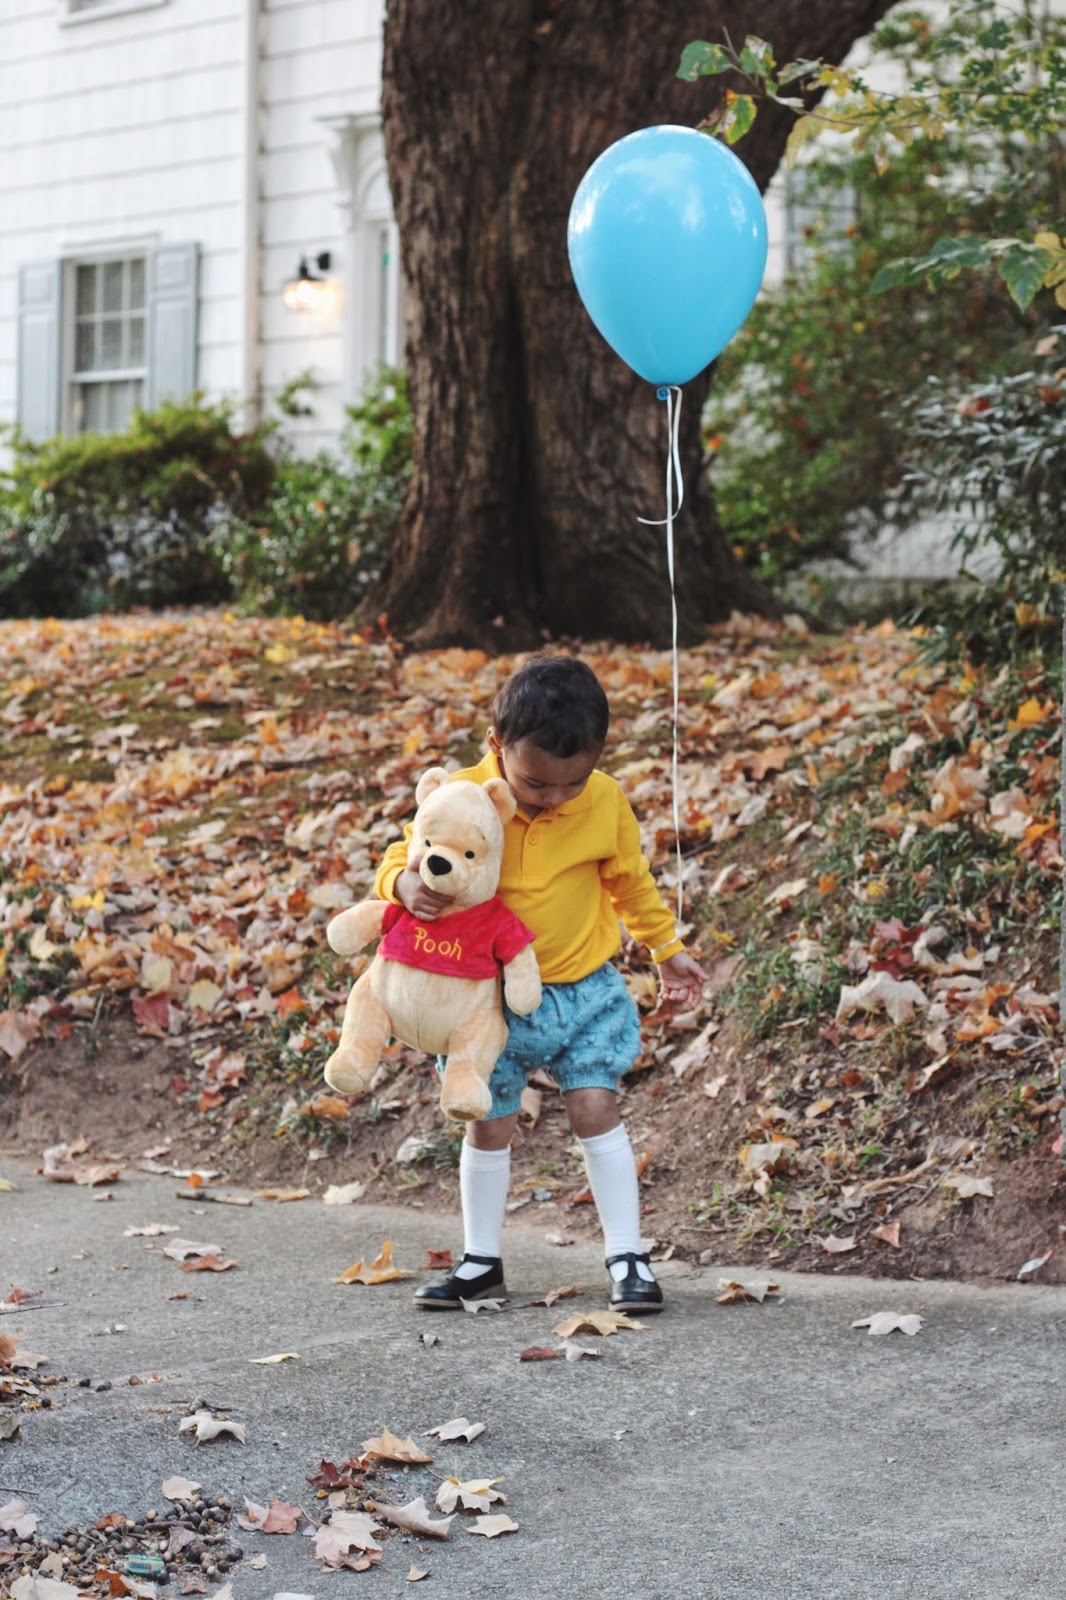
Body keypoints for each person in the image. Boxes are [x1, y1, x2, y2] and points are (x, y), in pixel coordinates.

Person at [373, 654, 706, 1313]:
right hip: (485, 999)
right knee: (487, 1120)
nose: (553, 798)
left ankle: (628, 1256)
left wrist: (667, 950)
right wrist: (402, 884)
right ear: (496, 745)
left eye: (571, 784)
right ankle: (480, 1261)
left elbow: (631, 883)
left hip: (584, 991)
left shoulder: (603, 801)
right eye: (534, 784)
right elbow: (402, 855)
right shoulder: (463, 795)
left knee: (595, 1106)